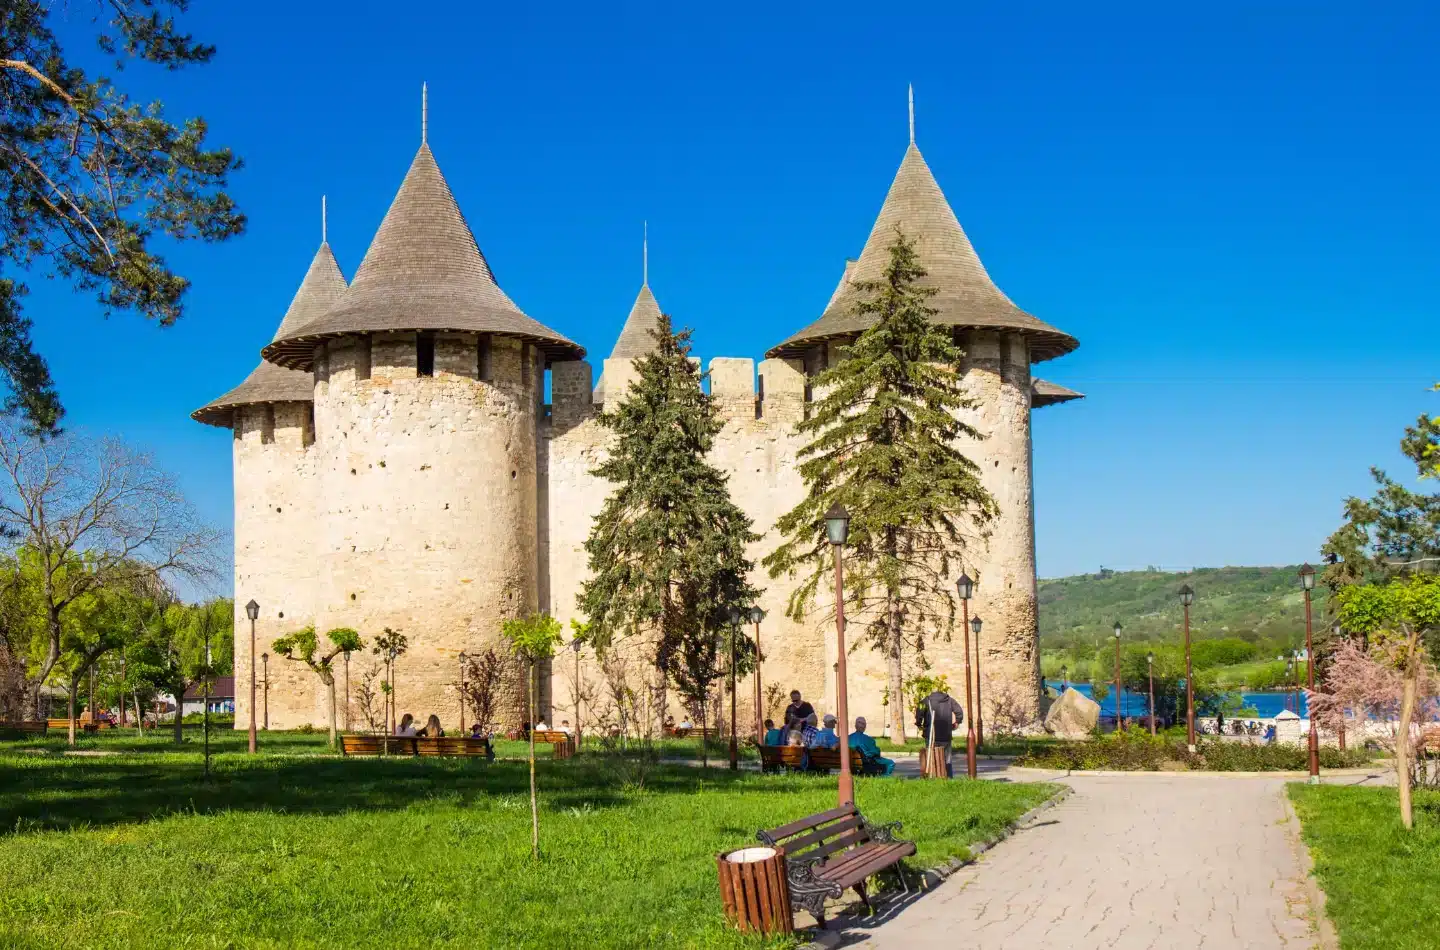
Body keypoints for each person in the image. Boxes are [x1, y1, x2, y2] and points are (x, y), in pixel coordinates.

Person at [915, 687, 962, 778]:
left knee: (931, 756)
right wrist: (957, 722)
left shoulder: (927, 700)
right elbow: (959, 711)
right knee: (947, 759)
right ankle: (948, 777)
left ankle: (932, 776)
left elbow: (919, 712)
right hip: (945, 734)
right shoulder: (949, 700)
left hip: (930, 734)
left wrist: (919, 723)